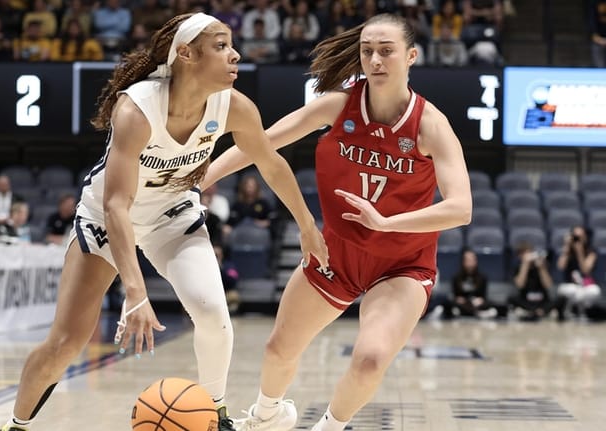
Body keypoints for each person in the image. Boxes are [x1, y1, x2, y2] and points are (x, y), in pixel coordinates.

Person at [0, 12, 328, 431]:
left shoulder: (235, 107)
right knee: (66, 342)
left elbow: (272, 164)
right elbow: (118, 205)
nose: (236, 54)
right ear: (186, 54)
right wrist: (135, 292)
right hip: (107, 217)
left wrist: (306, 224)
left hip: (172, 214)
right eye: (222, 45)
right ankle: (17, 425)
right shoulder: (137, 108)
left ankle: (216, 415)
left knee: (213, 314)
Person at [201, 13, 472, 431]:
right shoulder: (339, 104)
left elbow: (461, 208)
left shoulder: (431, 125)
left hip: (401, 264)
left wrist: (386, 223)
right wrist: (205, 177)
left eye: (387, 51)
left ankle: (330, 426)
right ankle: (266, 417)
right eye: (368, 52)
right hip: (336, 253)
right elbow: (264, 140)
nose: (375, 60)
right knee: (278, 350)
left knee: (369, 361)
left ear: (411, 56)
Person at [509, 242, 564, 321]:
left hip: (542, 301)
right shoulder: (517, 268)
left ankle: (538, 311)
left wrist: (542, 269)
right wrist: (525, 265)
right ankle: (536, 311)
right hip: (526, 300)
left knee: (561, 299)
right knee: (511, 298)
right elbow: (520, 285)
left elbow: (548, 285)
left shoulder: (542, 266)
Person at [556, 225, 601, 318]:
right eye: (575, 237)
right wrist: (567, 247)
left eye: (580, 237)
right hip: (569, 285)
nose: (578, 240)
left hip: (585, 285)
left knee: (594, 291)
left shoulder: (591, 252)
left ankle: (582, 312)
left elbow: (585, 270)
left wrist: (579, 252)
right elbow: (560, 266)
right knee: (573, 291)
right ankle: (571, 311)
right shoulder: (567, 252)